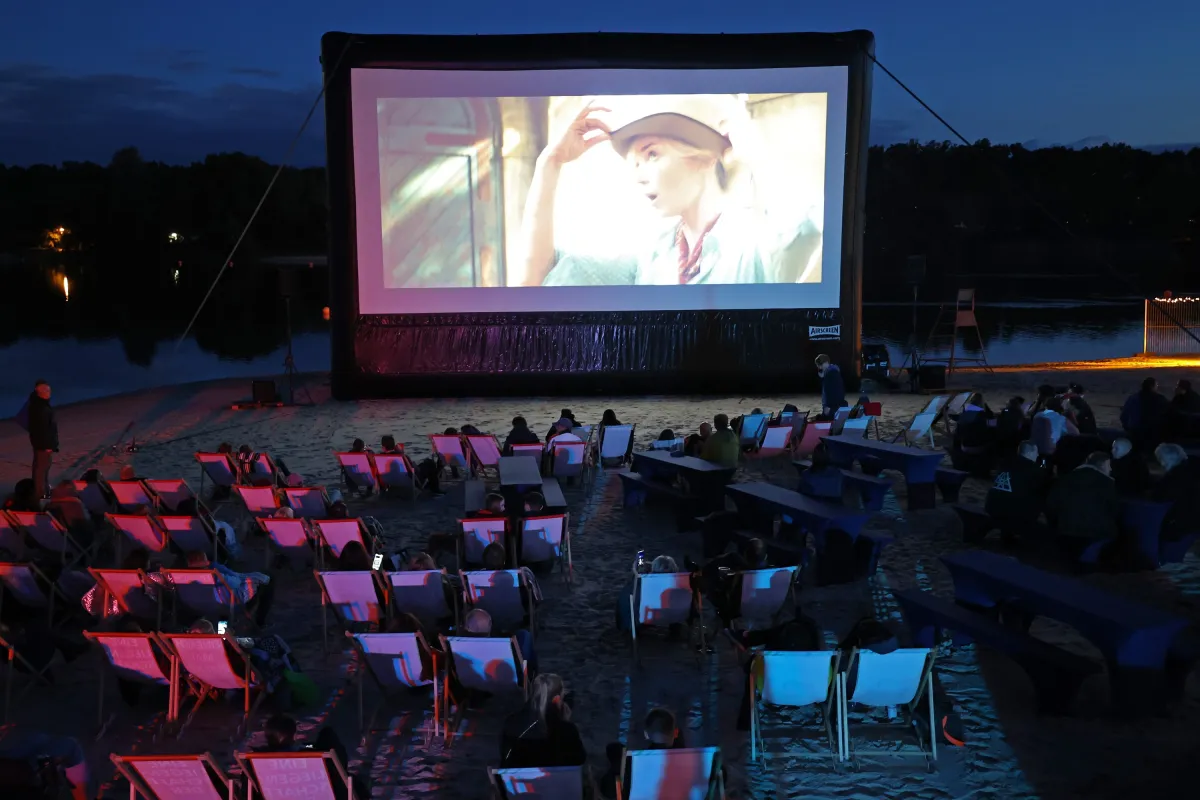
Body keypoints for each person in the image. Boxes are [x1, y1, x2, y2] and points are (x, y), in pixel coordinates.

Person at [516, 96, 823, 288]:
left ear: (704, 155)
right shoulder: (649, 260)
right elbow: (540, 276)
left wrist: (754, 151)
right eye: (634, 161)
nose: (639, 176)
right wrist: (550, 164)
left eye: (652, 155)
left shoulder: (755, 241)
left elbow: (815, 224)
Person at [500, 673, 586, 768]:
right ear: (557, 700)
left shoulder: (511, 723)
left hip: (522, 782)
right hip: (555, 781)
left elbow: (505, 758)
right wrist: (565, 723)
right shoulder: (567, 730)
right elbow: (579, 760)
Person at [1046, 452, 1121, 558]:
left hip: (1066, 530)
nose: (1111, 469)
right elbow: (1114, 511)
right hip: (1098, 534)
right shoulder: (1107, 483)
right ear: (1102, 465)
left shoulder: (1064, 479)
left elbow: (1051, 506)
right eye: (1109, 465)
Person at [185, 551, 275, 626]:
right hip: (228, 604)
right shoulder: (215, 576)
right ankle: (259, 621)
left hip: (203, 606)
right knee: (268, 581)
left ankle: (223, 634)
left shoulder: (181, 577)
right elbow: (236, 581)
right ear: (205, 562)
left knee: (222, 598)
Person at [984, 442, 1050, 540]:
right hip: (1017, 515)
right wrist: (1045, 461)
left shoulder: (1006, 463)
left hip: (991, 508)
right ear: (1030, 453)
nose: (1037, 455)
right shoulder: (1035, 470)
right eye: (1036, 453)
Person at [1151, 443, 1200, 542]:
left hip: (1185, 521)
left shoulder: (1176, 476)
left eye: (1161, 459)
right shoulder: (1193, 465)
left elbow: (1160, 496)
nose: (1161, 463)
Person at [24, 380, 58, 500]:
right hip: (43, 444)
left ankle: (43, 490)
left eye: (49, 390)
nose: (49, 393)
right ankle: (40, 493)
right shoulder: (40, 407)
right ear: (40, 392)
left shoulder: (38, 404)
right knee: (41, 468)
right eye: (46, 390)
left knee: (41, 468)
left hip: (40, 443)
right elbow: (43, 429)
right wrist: (48, 445)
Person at [1120, 377, 1169, 447]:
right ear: (1152, 387)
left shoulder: (1133, 398)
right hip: (1153, 434)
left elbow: (1124, 416)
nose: (1157, 387)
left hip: (1135, 433)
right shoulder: (1160, 399)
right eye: (1156, 385)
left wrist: (1128, 428)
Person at [815, 354, 846, 419]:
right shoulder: (832, 372)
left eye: (820, 365)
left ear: (826, 363)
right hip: (833, 408)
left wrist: (830, 409)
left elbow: (834, 392)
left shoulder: (831, 374)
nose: (819, 367)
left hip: (831, 409)